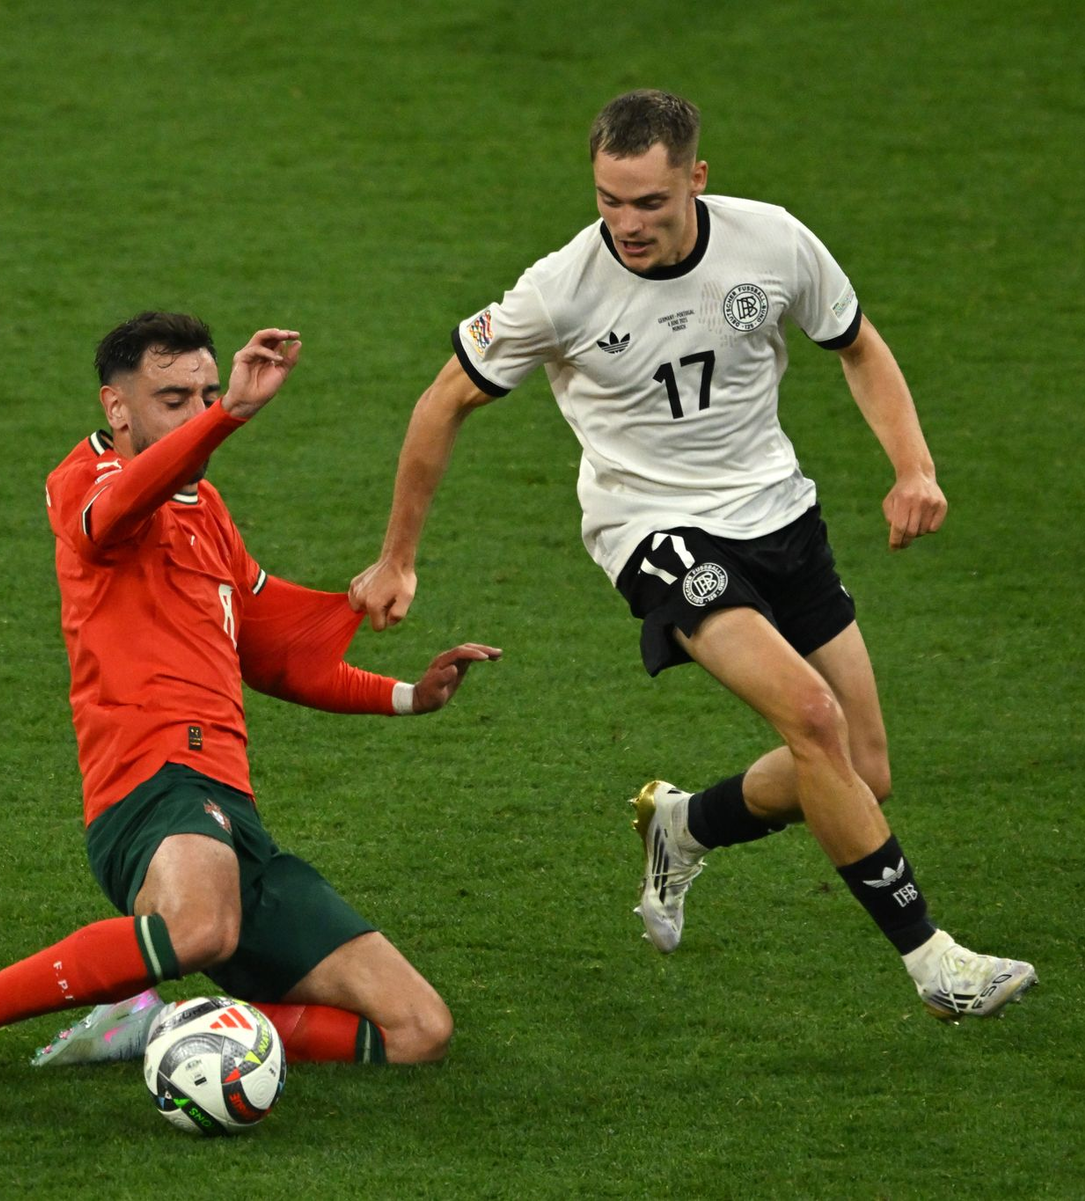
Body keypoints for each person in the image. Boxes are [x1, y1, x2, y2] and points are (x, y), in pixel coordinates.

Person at [349, 90, 1036, 1021]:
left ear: (696, 181)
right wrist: (399, 559)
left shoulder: (774, 242)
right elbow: (442, 401)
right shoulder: (562, 287)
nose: (625, 225)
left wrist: (914, 467)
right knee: (812, 715)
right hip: (653, 529)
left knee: (860, 770)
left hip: (779, 512)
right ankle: (935, 962)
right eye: (608, 200)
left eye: (649, 204)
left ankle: (686, 822)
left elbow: (859, 347)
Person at [0, 312, 501, 1100]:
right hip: (149, 786)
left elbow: (274, 650)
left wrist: (412, 695)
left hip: (230, 810)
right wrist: (229, 415)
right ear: (117, 407)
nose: (195, 407)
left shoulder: (206, 512)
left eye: (205, 392)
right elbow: (118, 509)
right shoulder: (82, 482)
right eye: (173, 397)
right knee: (201, 927)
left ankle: (157, 1025)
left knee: (419, 1029)